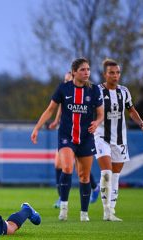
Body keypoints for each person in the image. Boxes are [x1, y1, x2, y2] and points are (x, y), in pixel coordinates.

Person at [31, 58, 104, 221]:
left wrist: (97, 122)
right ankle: (64, 207)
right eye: (83, 70)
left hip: (86, 137)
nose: (87, 73)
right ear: (74, 72)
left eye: (88, 69)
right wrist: (36, 128)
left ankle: (84, 214)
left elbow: (100, 114)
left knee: (84, 176)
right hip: (66, 136)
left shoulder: (93, 90)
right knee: (67, 168)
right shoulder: (64, 88)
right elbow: (50, 110)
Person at [95, 59, 143, 221]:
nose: (115, 75)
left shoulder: (124, 91)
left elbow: (131, 110)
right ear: (105, 74)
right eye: (112, 72)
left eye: (117, 72)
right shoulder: (97, 91)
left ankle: (111, 210)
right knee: (106, 173)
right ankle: (106, 211)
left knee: (116, 176)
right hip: (101, 136)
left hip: (119, 139)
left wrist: (140, 122)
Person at [49, 72, 100, 208]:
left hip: (79, 135)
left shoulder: (84, 92)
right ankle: (61, 197)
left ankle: (94, 187)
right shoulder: (65, 92)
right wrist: (55, 121)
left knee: (79, 169)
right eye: (64, 80)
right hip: (66, 134)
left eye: (68, 80)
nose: (66, 82)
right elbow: (61, 107)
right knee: (59, 164)